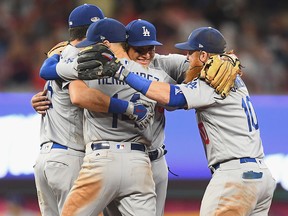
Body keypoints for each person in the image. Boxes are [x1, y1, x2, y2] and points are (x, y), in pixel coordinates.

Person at [80, 26, 277, 215]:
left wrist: (122, 72)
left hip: (236, 176)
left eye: (190, 53)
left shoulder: (211, 83)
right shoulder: (229, 75)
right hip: (261, 176)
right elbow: (162, 62)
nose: (186, 58)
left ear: (203, 56)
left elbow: (172, 97)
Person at [57, 18, 178, 216]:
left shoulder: (87, 70)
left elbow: (67, 83)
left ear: (105, 44)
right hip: (139, 164)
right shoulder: (155, 76)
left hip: (101, 160)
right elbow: (175, 100)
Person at [32, 4, 105, 216]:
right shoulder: (83, 58)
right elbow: (81, 97)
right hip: (69, 158)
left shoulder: (60, 55)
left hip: (46, 159)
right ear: (94, 30)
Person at [124, 19, 188, 216]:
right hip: (126, 157)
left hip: (156, 158)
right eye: (139, 49)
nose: (146, 54)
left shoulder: (160, 69)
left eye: (150, 48)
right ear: (126, 47)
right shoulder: (112, 71)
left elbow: (175, 102)